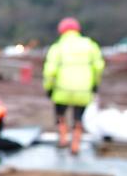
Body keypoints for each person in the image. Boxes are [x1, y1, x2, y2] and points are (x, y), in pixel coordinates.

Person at [42, 17, 105, 155]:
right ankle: (75, 146)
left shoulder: (57, 47)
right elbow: (98, 67)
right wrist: (95, 84)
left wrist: (48, 87)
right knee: (78, 118)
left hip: (61, 90)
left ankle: (63, 140)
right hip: (83, 90)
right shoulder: (90, 45)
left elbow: (49, 71)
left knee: (60, 115)